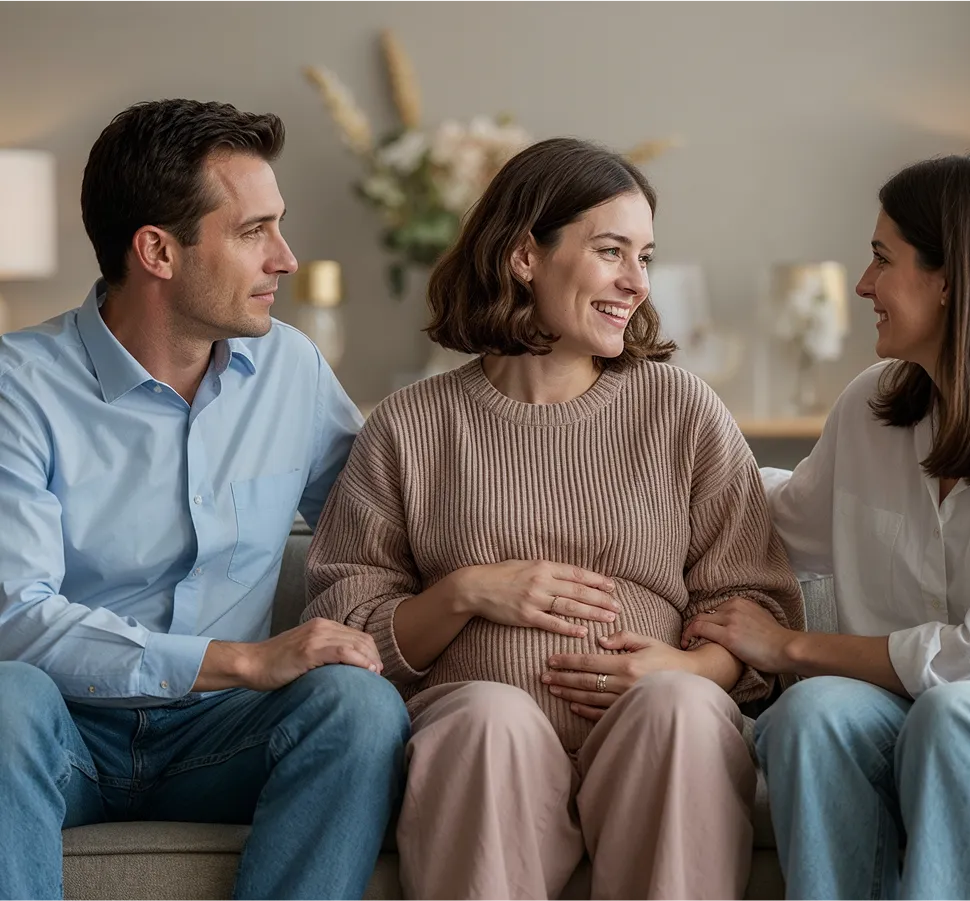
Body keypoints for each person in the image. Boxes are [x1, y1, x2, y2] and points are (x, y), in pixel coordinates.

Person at [304, 136, 804, 901]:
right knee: (487, 720)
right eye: (612, 252)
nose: (636, 282)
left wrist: (691, 666)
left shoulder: (682, 411)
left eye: (645, 256)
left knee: (678, 709)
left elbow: (756, 606)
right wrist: (465, 590)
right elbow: (346, 628)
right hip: (478, 738)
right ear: (524, 257)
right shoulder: (410, 426)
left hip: (653, 731)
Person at [0, 99, 409, 901]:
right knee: (2, 698)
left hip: (225, 734)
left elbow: (381, 534)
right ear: (157, 249)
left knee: (357, 709)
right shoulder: (18, 387)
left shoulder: (291, 369)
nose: (285, 258)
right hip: (66, 727)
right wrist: (244, 660)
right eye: (254, 231)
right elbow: (15, 616)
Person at [682, 150, 970, 901]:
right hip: (928, 705)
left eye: (880, 259)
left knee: (961, 721)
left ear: (953, 277)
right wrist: (650, 465)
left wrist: (792, 644)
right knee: (812, 713)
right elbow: (773, 520)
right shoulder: (875, 406)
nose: (863, 285)